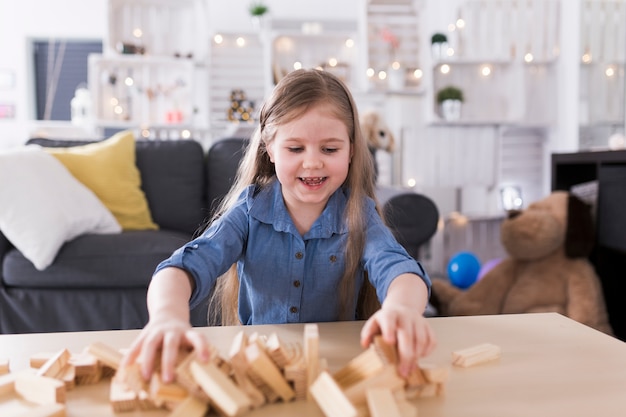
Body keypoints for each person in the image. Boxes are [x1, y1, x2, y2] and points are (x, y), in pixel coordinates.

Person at [122, 68, 436, 384]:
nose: (312, 162)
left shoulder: (358, 215)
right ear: (270, 148)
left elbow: (400, 270)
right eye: (295, 148)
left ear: (352, 149)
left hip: (337, 371)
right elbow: (183, 267)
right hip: (258, 371)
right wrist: (166, 316)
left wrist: (402, 309)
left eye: (330, 149)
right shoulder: (248, 211)